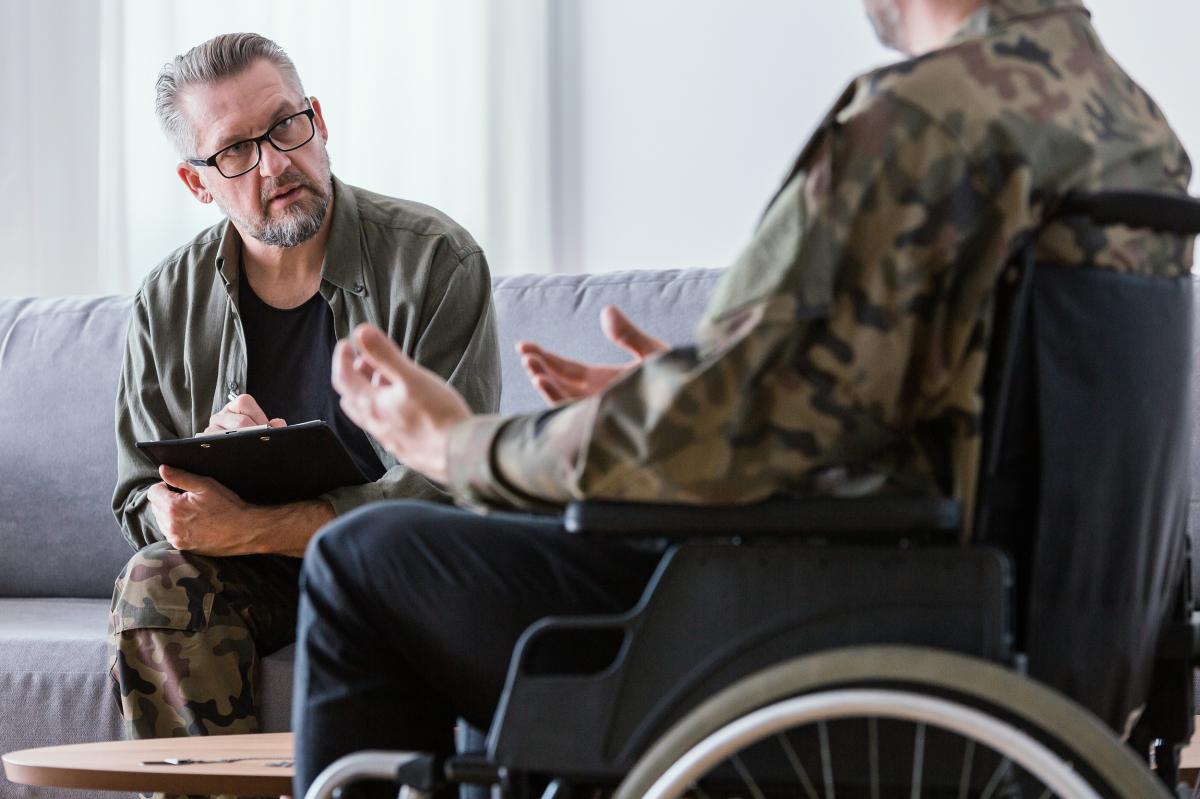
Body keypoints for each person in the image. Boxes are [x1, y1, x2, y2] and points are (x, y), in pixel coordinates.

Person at [293, 0, 1192, 794]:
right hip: (1046, 640)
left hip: (847, 613)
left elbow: (732, 429)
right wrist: (690, 375)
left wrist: (463, 446)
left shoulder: (928, 117)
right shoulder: (1125, 121)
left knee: (361, 557)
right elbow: (961, 396)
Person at [106, 32, 501, 758]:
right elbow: (136, 493)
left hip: (395, 566)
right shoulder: (166, 300)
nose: (277, 161)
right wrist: (184, 504)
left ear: (318, 118)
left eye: (287, 125)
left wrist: (250, 527)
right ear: (198, 183)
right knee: (154, 579)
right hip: (249, 580)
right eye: (235, 150)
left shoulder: (436, 261)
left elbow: (454, 488)